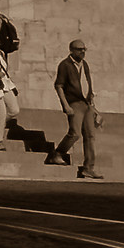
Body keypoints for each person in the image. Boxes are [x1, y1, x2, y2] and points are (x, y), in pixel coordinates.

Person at [49, 37, 103, 178]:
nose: (83, 51)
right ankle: (58, 153)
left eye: (84, 49)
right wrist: (65, 105)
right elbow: (59, 86)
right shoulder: (65, 65)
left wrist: (95, 109)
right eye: (79, 49)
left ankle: (89, 167)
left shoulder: (84, 65)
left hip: (87, 104)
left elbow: (87, 86)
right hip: (74, 103)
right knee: (75, 133)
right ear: (72, 50)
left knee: (90, 135)